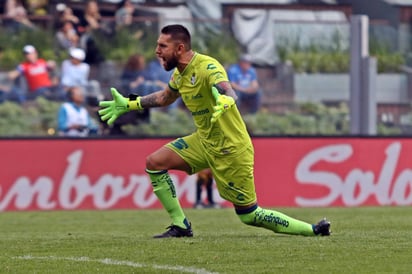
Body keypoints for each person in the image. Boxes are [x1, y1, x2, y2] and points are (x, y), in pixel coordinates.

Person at [98, 24, 331, 238]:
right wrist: (132, 103)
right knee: (154, 162)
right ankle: (181, 225)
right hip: (204, 141)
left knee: (249, 215)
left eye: (162, 46)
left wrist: (227, 100)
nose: (157, 51)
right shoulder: (180, 74)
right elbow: (165, 97)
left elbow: (227, 90)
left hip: (230, 149)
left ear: (179, 48)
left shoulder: (208, 67)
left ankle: (313, 230)